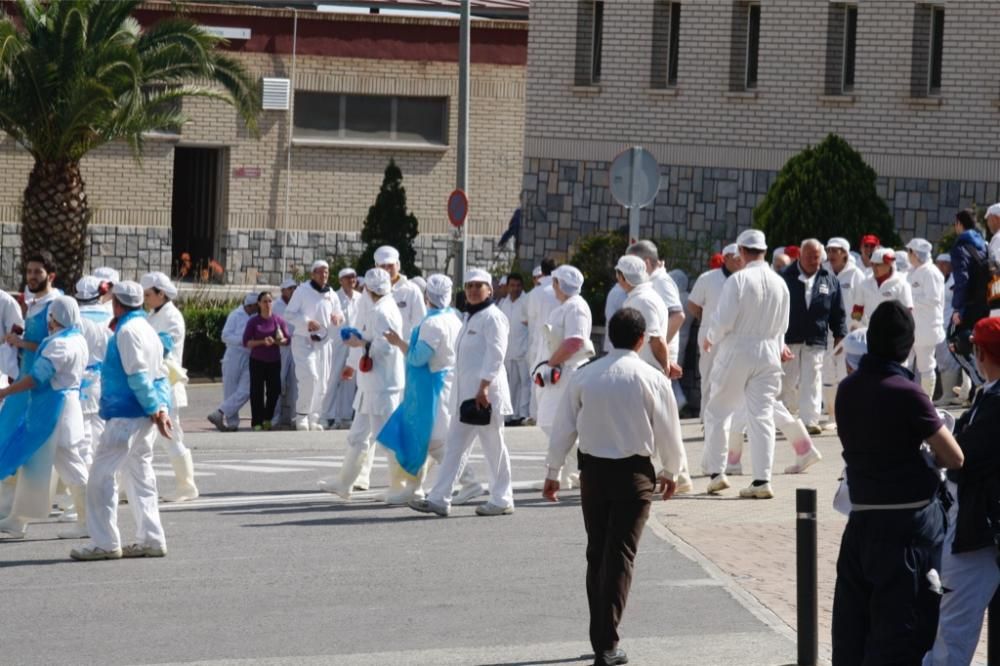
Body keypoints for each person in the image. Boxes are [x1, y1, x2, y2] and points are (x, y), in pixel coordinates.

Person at [544, 307, 683, 666]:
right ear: (642, 339)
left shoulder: (585, 376)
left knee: (597, 552)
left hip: (593, 474)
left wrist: (553, 470)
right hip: (635, 474)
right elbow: (669, 429)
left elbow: (564, 427)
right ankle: (607, 642)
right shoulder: (653, 378)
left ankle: (601, 637)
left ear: (609, 338)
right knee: (620, 554)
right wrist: (673, 471)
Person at [831, 300, 964, 664]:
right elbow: (954, 457)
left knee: (852, 631)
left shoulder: (847, 389)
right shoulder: (906, 392)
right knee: (900, 636)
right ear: (907, 346)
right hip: (906, 528)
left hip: (861, 521)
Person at [70, 281, 174, 561]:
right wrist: (159, 409)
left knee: (101, 477)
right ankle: (151, 539)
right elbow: (160, 374)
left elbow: (138, 376)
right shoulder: (146, 329)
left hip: (126, 416)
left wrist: (155, 408)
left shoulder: (127, 331)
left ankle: (105, 543)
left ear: (117, 303)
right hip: (141, 416)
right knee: (140, 476)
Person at [409, 269, 515, 517]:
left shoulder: (493, 317)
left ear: (489, 289)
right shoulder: (469, 317)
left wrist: (484, 387)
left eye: (479, 286)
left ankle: (502, 498)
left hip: (484, 396)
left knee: (494, 447)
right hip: (465, 396)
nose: (473, 290)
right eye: (469, 286)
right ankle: (439, 498)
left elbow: (496, 355)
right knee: (454, 447)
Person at [925, 317, 1000, 665]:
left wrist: (939, 443)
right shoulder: (989, 394)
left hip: (981, 531)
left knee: (952, 635)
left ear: (982, 353)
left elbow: (963, 459)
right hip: (984, 528)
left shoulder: (995, 402)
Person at [701, 229, 790, 499]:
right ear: (764, 250)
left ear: (740, 251)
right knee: (761, 415)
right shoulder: (780, 283)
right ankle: (762, 479)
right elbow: (783, 325)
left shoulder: (738, 280)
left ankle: (717, 473)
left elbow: (724, 320)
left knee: (718, 409)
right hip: (769, 352)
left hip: (738, 349)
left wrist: (710, 337)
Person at [379, 274, 483, 504]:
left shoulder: (432, 323)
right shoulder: (454, 317)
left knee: (434, 440)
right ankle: (414, 486)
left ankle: (468, 481)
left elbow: (418, 358)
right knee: (424, 439)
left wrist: (398, 343)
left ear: (427, 296)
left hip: (431, 387)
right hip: (445, 382)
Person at [0, 296, 89, 540]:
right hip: (63, 408)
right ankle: (20, 518)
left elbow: (37, 377)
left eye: (52, 316)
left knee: (69, 465)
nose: (49, 321)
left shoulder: (60, 345)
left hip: (55, 411)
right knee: (54, 464)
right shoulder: (76, 339)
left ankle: (88, 520)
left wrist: (6, 392)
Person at [318, 268, 406, 502]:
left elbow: (386, 347)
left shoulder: (382, 311)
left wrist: (360, 343)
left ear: (368, 289)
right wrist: (362, 340)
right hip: (372, 384)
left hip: (382, 385)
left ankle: (402, 486)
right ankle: (345, 482)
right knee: (358, 435)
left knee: (387, 438)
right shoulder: (379, 308)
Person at [0, 252, 60, 524]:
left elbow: (59, 345)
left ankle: (19, 516)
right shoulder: (35, 303)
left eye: (38, 271)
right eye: (29, 271)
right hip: (25, 383)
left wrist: (21, 343)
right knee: (9, 442)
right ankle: (11, 513)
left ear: (51, 275)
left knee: (36, 451)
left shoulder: (56, 305)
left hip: (41, 386)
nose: (32, 276)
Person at [139, 272, 199, 503]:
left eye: (147, 294)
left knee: (171, 437)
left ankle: (187, 485)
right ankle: (127, 487)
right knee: (141, 439)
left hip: (166, 384)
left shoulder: (172, 317)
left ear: (160, 294)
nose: (145, 299)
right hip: (152, 383)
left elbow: (163, 349)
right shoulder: (152, 315)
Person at [779, 239, 846, 435]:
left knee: (813, 379)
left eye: (816, 257)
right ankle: (787, 417)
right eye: (808, 256)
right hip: (790, 337)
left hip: (816, 337)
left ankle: (810, 420)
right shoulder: (785, 276)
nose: (813, 261)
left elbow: (837, 311)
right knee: (788, 381)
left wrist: (840, 334)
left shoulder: (829, 279)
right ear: (799, 255)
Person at [535, 265, 594, 488]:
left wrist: (552, 363)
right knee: (553, 422)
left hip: (567, 371)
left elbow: (575, 341)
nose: (553, 286)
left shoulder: (576, 307)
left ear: (561, 284)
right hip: (559, 370)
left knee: (555, 422)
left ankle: (579, 469)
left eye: (555, 282)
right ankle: (570, 473)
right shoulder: (566, 306)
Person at [284, 260, 344, 431]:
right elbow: (289, 314)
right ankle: (302, 415)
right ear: (312, 274)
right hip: (304, 340)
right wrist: (307, 322)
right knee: (309, 376)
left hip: (324, 342)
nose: (323, 275)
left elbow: (339, 314)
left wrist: (338, 319)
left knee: (323, 382)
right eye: (320, 272)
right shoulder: (302, 291)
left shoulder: (331, 293)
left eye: (326, 272)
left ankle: (314, 417)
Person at [688, 243, 742, 414]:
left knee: (735, 378)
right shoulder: (707, 278)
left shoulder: (746, 279)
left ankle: (733, 420)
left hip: (737, 335)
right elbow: (692, 304)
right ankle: (706, 417)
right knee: (709, 376)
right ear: (725, 258)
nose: (741, 261)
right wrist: (707, 320)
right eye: (736, 258)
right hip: (710, 334)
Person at [821, 237, 865, 425]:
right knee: (827, 374)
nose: (831, 254)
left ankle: (848, 415)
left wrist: (853, 331)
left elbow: (859, 307)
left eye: (835, 251)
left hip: (848, 334)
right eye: (829, 250)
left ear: (845, 254)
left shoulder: (857, 275)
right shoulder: (823, 272)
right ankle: (832, 415)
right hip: (825, 334)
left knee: (845, 375)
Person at [626, 240, 685, 376]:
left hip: (657, 359)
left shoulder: (661, 281)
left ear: (646, 263)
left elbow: (677, 316)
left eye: (634, 264)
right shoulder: (653, 281)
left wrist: (658, 346)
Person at [950, 210, 989, 387]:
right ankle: (986, 381)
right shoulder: (985, 245)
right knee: (980, 344)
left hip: (969, 306)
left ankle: (981, 383)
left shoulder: (960, 247)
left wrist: (957, 308)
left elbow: (962, 279)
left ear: (959, 223)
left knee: (955, 343)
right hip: (986, 304)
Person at [207, 293, 257, 432]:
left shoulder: (255, 316)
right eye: (256, 306)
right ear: (250, 305)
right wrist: (243, 341)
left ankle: (219, 412)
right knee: (231, 390)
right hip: (234, 354)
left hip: (249, 356)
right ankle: (232, 423)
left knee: (246, 390)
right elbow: (225, 336)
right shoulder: (235, 315)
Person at [904, 239, 946, 398]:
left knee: (926, 366)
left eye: (909, 252)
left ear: (915, 254)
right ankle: (905, 399)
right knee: (905, 365)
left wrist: (909, 300)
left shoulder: (931, 272)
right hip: (911, 327)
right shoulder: (912, 271)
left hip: (926, 328)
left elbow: (933, 299)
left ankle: (927, 402)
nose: (908, 255)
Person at [243, 291, 291, 431]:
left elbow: (288, 339)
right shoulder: (253, 321)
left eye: (270, 301)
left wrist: (280, 341)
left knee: (274, 390)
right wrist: (262, 341)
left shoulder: (278, 320)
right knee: (256, 391)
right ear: (259, 304)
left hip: (274, 360)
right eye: (264, 301)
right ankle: (256, 421)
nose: (267, 304)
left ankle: (267, 417)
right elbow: (246, 342)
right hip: (257, 360)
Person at [323, 267, 362, 429]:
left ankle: (345, 416)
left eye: (353, 277)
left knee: (350, 380)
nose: (351, 280)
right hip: (338, 343)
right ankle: (326, 415)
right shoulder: (334, 297)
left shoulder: (361, 298)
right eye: (347, 277)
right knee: (332, 379)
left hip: (355, 343)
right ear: (340, 280)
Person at [525, 258, 559, 425]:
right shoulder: (559, 289)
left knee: (537, 377)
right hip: (558, 340)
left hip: (539, 340)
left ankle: (535, 414)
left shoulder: (535, 293)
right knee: (557, 378)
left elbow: (531, 319)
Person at [498, 272, 531, 424]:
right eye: (512, 285)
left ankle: (522, 414)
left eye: (518, 285)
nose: (515, 288)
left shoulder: (527, 301)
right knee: (510, 384)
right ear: (508, 286)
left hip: (524, 350)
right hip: (508, 351)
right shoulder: (503, 304)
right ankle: (510, 415)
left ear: (522, 286)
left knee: (525, 383)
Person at [375, 245, 427, 339]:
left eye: (391, 265)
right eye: (383, 266)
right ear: (376, 267)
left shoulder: (411, 290)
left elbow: (421, 323)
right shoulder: (370, 290)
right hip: (377, 350)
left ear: (398, 265)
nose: (387, 270)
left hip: (403, 349)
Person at [853, 247, 914, 327]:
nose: (874, 268)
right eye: (872, 264)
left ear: (889, 264)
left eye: (878, 265)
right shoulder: (864, 284)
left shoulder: (902, 285)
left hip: (892, 334)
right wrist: (856, 324)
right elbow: (858, 308)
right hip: (868, 332)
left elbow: (907, 314)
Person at [272, 278, 298, 428]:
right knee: (278, 383)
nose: (293, 291)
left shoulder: (298, 304)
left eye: (294, 288)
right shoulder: (276, 306)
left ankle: (295, 418)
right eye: (290, 289)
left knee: (296, 384)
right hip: (281, 348)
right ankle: (275, 418)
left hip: (297, 347)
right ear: (283, 291)